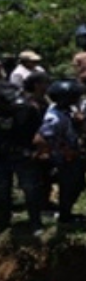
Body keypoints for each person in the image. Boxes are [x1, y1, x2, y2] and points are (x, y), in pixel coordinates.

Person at [0, 77, 48, 234]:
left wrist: (38, 150)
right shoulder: (26, 107)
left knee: (25, 189)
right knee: (13, 189)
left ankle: (31, 222)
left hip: (18, 153)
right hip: (13, 154)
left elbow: (38, 133)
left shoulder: (25, 109)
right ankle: (12, 223)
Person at [40, 79, 86, 225]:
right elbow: (46, 138)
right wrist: (66, 151)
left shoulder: (65, 110)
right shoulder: (53, 118)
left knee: (78, 184)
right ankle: (65, 217)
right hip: (64, 158)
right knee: (68, 187)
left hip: (72, 154)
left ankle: (66, 212)